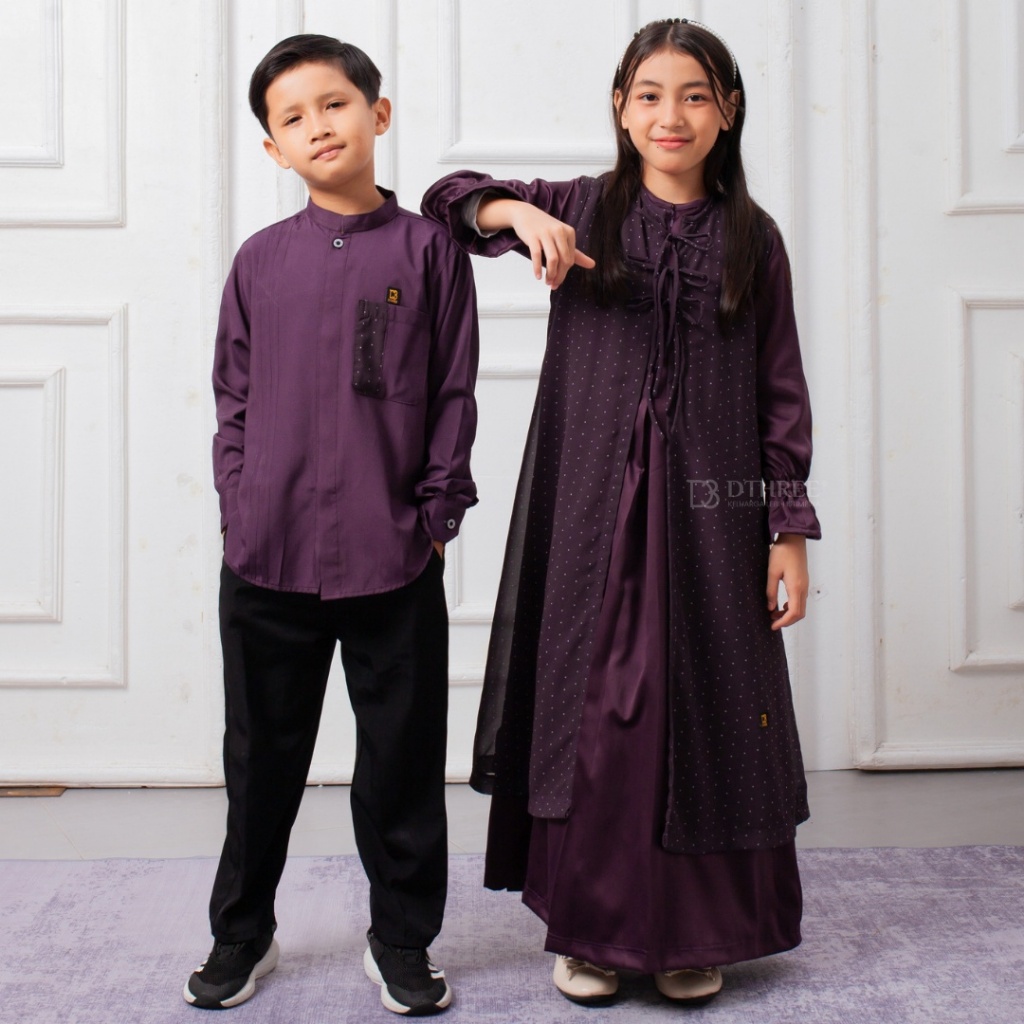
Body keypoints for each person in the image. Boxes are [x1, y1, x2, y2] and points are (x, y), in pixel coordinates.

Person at [421, 17, 820, 1008]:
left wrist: (786, 529)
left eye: (694, 95)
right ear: (619, 107)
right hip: (590, 509)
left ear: (727, 112)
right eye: (648, 94)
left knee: (705, 708)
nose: (669, 114)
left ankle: (694, 933)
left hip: (712, 517)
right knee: (593, 713)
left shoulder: (754, 239)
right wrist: (519, 214)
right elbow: (445, 201)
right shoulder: (583, 209)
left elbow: (780, 393)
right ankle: (592, 931)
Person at [184, 34, 478, 1016]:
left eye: (334, 103)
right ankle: (242, 932)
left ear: (377, 114)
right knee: (259, 760)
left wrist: (434, 516)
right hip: (266, 556)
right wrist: (238, 504)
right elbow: (232, 397)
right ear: (273, 148)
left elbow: (452, 391)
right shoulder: (259, 261)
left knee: (400, 764)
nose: (318, 125)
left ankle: (402, 940)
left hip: (393, 557)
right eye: (292, 117)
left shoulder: (429, 252)